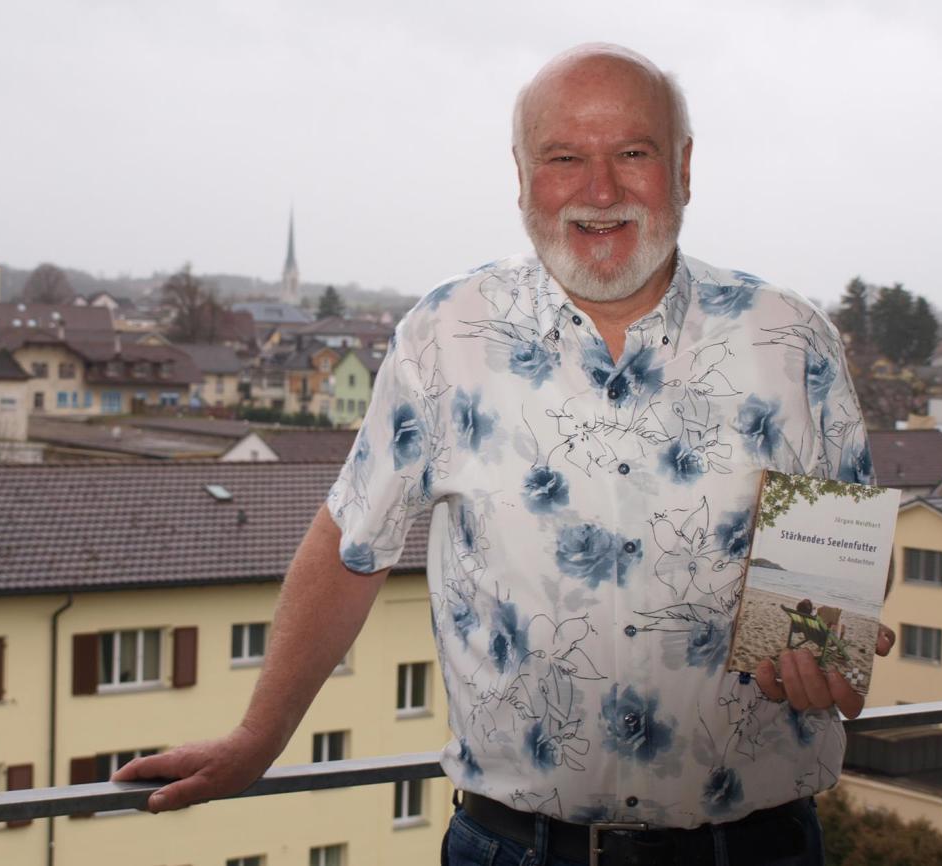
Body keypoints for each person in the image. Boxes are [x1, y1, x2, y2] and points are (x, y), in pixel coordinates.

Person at [117, 43, 894, 865]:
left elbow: (843, 556)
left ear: (685, 168)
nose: (600, 191)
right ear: (522, 178)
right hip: (514, 848)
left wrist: (824, 633)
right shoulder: (446, 335)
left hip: (755, 848)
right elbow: (353, 545)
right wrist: (256, 737)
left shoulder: (789, 338)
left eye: (634, 153)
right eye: (565, 158)